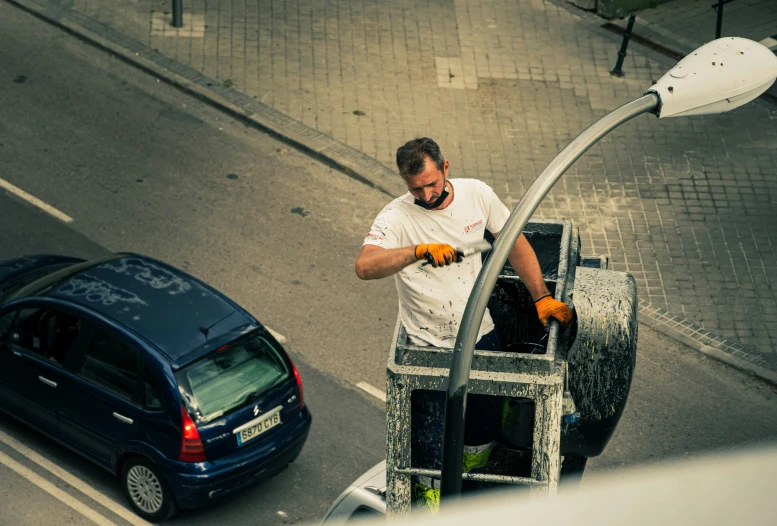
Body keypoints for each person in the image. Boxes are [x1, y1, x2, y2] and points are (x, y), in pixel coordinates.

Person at [355, 137, 572, 350]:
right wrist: (417, 251)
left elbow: (513, 244)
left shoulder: (477, 194)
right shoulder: (395, 216)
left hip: (478, 331)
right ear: (404, 179)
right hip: (426, 344)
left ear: (445, 167)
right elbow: (364, 267)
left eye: (432, 184)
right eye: (417, 189)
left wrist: (542, 297)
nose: (427, 195)